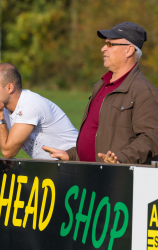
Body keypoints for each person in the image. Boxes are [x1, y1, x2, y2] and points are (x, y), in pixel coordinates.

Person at [43, 21, 158, 164]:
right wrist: (72, 154)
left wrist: (120, 159)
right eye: (105, 44)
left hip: (117, 179)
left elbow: (151, 137)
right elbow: (97, 134)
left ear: (128, 50)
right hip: (87, 175)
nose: (103, 49)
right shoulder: (100, 86)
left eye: (110, 44)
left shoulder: (144, 91)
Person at [0, 63, 78, 171]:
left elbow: (8, 152)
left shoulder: (30, 105)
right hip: (55, 168)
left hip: (77, 162)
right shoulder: (3, 108)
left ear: (9, 88)